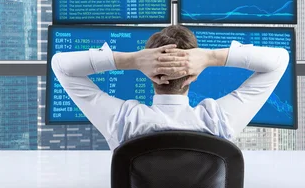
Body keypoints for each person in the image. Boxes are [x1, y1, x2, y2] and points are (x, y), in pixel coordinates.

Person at [51, 25, 289, 150]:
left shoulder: (124, 122)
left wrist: (133, 60)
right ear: (193, 76)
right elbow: (279, 61)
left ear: (149, 75)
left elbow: (60, 66)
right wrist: (210, 57)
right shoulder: (218, 122)